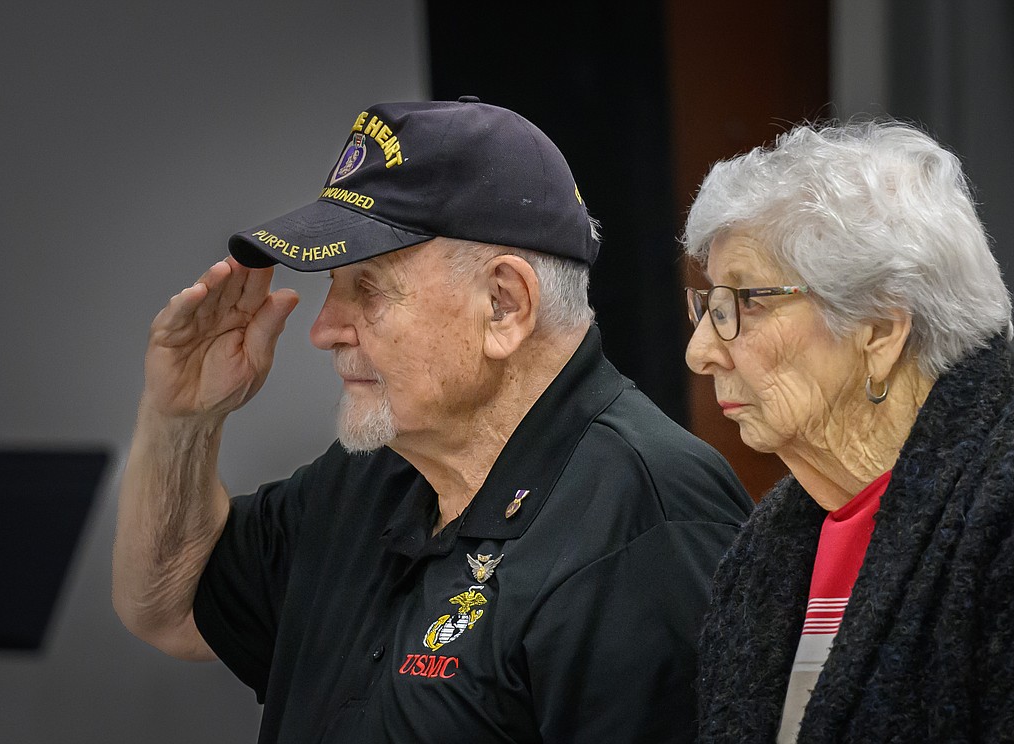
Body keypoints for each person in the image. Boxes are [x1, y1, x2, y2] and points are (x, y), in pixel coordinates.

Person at [112, 97, 753, 743]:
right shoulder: (371, 477)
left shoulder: (648, 519)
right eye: (332, 286)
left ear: (504, 305)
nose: (324, 329)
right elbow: (169, 610)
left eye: (367, 287)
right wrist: (184, 420)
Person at [682, 120, 1014, 742]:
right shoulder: (765, 547)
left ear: (879, 329)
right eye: (708, 305)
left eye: (744, 304)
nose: (701, 351)